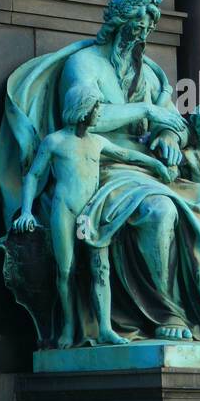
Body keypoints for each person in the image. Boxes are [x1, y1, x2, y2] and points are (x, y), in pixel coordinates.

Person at [0, 0, 200, 348]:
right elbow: (90, 115)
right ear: (119, 23)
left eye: (149, 26)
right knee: (159, 211)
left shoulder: (149, 73)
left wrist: (167, 135)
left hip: (151, 171)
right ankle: (166, 313)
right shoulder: (84, 64)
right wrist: (146, 113)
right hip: (105, 169)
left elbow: (174, 123)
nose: (144, 33)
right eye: (138, 25)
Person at [13, 81, 175, 347]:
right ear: (82, 108)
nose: (100, 111)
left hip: (90, 212)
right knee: (66, 270)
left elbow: (127, 155)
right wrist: (27, 211)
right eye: (96, 106)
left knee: (101, 268)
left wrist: (156, 164)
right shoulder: (55, 141)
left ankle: (105, 329)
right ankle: (68, 326)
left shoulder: (98, 142)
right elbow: (33, 174)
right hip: (64, 212)